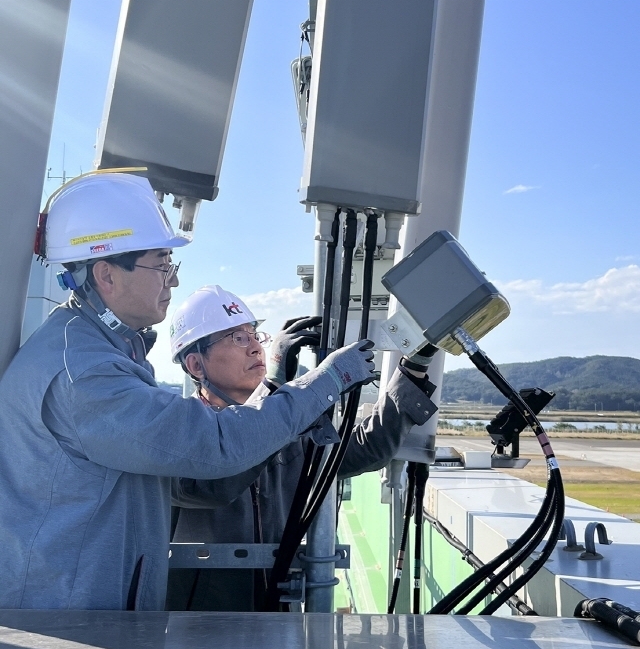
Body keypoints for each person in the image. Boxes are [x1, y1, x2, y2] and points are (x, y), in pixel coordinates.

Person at [0, 172, 375, 611]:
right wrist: (326, 382)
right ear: (106, 274)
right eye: (162, 264)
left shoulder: (97, 350)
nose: (172, 281)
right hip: (68, 631)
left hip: (84, 621)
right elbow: (213, 446)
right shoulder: (84, 372)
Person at [166, 285, 438, 611]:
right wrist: (276, 388)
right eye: (237, 338)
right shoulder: (176, 432)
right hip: (198, 628)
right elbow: (214, 484)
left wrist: (416, 363)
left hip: (278, 619)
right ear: (196, 365)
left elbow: (366, 448)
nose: (255, 348)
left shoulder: (288, 431)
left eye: (255, 335)